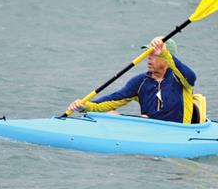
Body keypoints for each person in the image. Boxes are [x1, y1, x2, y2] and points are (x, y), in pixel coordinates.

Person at [68, 37, 200, 124]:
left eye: (153, 54)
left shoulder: (180, 79)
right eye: (148, 54)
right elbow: (112, 100)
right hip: (149, 130)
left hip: (178, 132)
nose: (148, 58)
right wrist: (85, 106)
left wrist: (164, 52)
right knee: (112, 114)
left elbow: (191, 77)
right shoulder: (141, 82)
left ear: (167, 57)